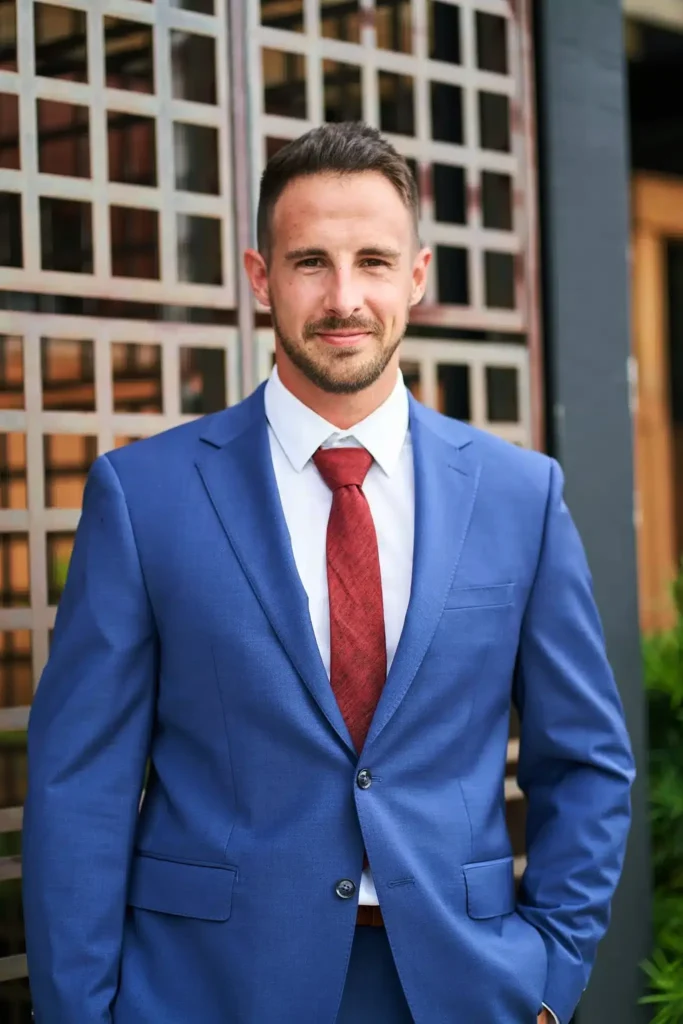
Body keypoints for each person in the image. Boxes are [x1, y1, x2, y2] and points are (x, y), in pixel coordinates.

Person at [23, 121, 634, 1024]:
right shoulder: (143, 495)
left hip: (460, 986)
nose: (344, 297)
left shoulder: (520, 495)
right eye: (310, 261)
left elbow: (585, 762)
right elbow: (80, 785)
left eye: (372, 262)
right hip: (208, 989)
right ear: (260, 276)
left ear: (416, 276)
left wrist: (548, 980)